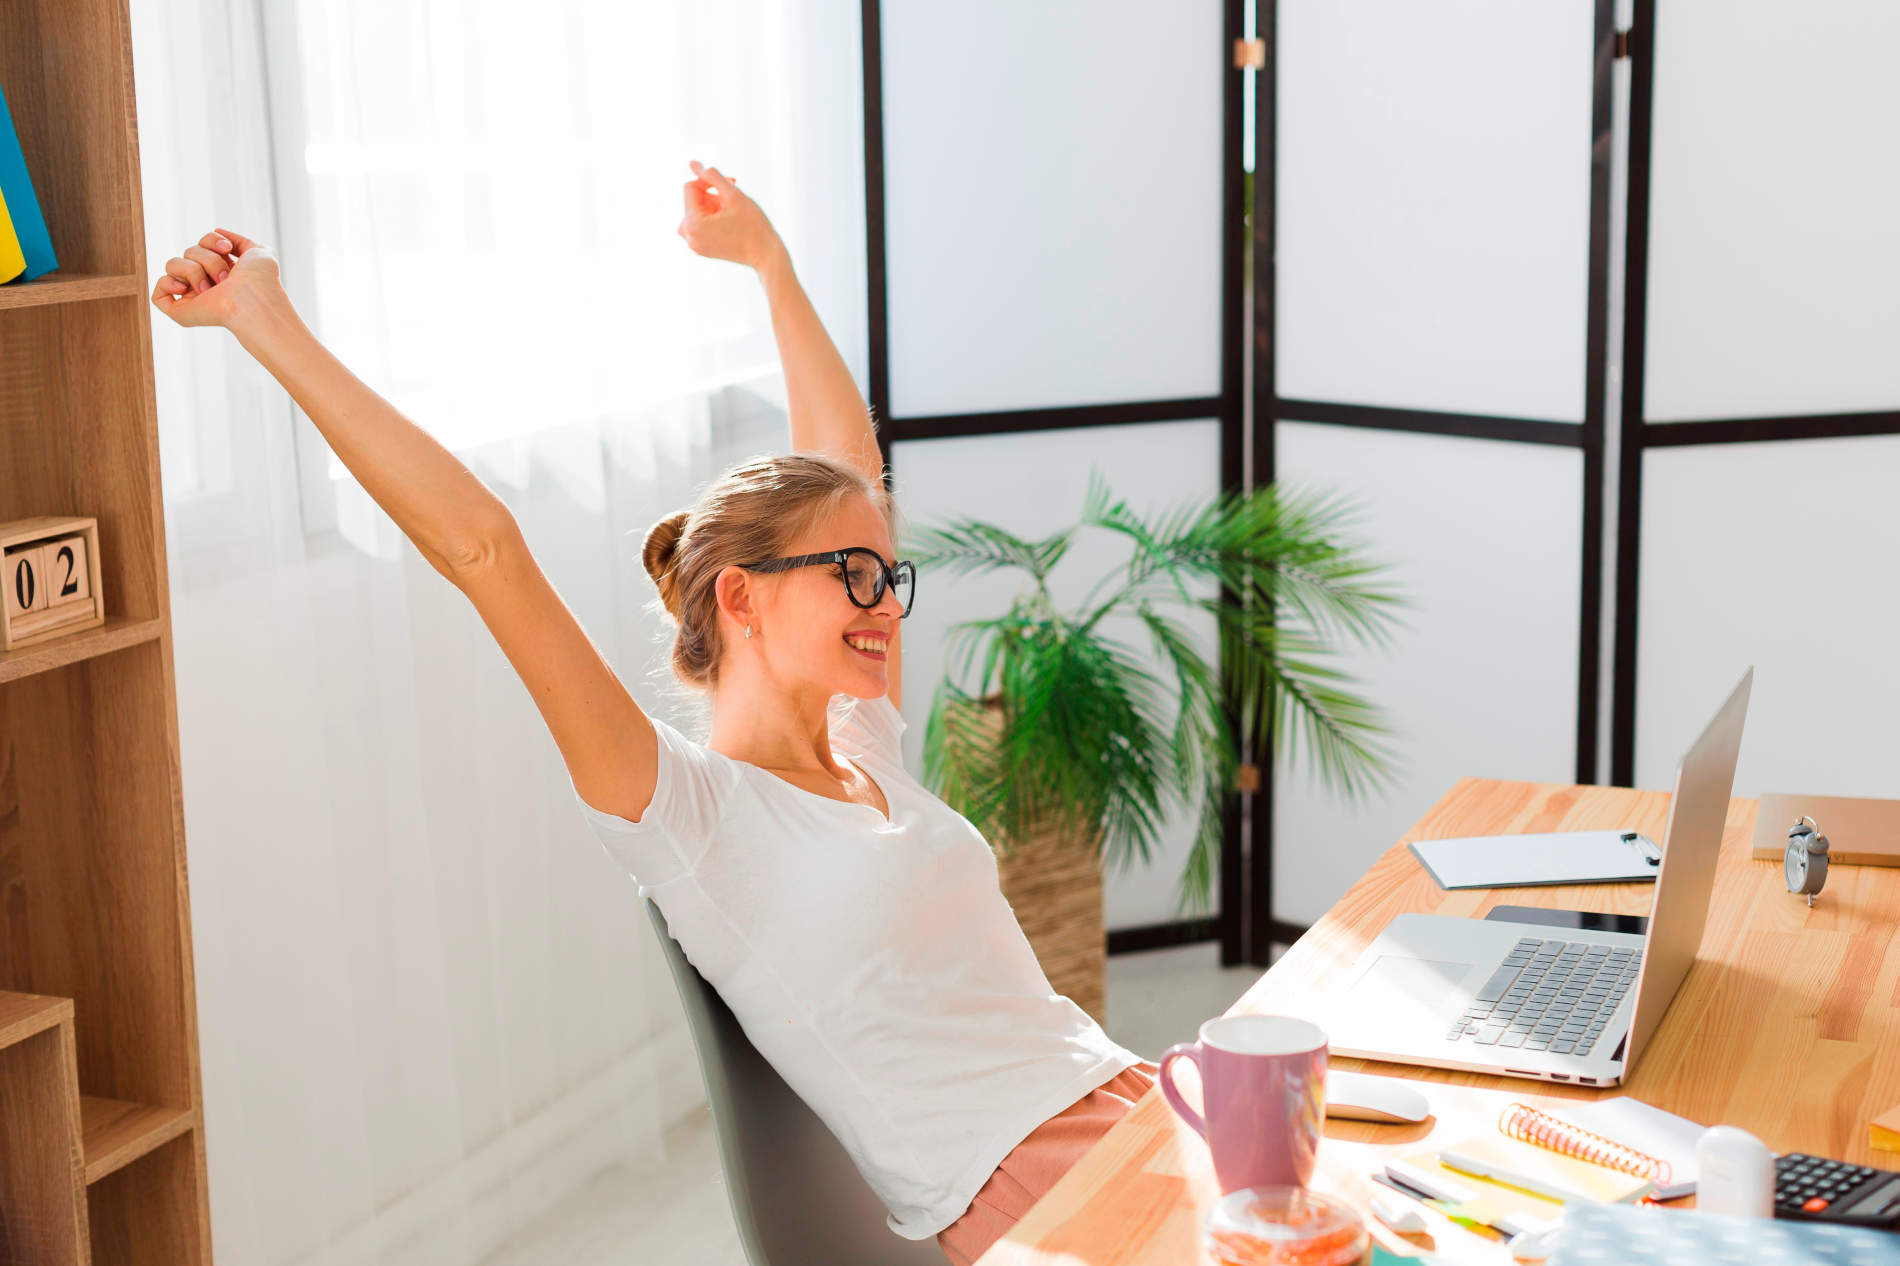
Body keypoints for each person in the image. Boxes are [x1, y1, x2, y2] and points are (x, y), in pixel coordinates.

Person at [151, 160, 1157, 1265]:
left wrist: (768, 263)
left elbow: (849, 463)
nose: (885, 606)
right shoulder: (688, 814)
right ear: (741, 596)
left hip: (1131, 1102)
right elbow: (484, 549)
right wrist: (262, 317)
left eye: (889, 577)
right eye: (853, 578)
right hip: (1024, 1190)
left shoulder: (867, 744)